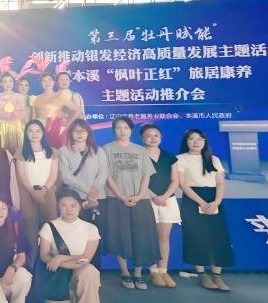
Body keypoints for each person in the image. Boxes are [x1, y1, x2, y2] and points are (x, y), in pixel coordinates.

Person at [102, 116, 160, 290]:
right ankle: (125, 272)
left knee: (140, 237)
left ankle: (138, 273)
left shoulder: (140, 150)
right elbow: (107, 176)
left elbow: (146, 175)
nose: (122, 131)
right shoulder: (106, 149)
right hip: (116, 199)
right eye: (118, 128)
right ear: (114, 130)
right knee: (121, 237)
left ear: (131, 130)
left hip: (140, 200)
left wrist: (140, 195)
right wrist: (120, 195)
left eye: (126, 127)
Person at [38, 189, 104, 303]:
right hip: (56, 277)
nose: (69, 209)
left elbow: (85, 259)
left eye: (73, 206)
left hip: (76, 271)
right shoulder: (49, 227)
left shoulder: (90, 228)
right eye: (64, 205)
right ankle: (57, 299)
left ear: (80, 207)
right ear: (58, 206)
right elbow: (44, 256)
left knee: (89, 271)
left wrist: (60, 259)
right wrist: (61, 261)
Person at [177, 129, 233, 292]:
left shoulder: (214, 159)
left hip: (214, 199)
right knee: (197, 237)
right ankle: (203, 275)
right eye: (192, 139)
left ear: (205, 142)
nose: (196, 142)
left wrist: (216, 202)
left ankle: (217, 275)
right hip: (193, 199)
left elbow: (220, 183)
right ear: (186, 142)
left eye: (200, 139)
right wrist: (201, 202)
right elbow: (183, 184)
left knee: (218, 237)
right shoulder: (181, 159)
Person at [57, 119, 108, 263]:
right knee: (74, 236)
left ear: (88, 133)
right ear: (70, 133)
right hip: (74, 200)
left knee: (95, 236)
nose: (79, 133)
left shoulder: (98, 151)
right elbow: (65, 176)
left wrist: (93, 193)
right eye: (76, 130)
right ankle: (75, 269)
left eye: (83, 130)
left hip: (97, 199)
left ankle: (94, 270)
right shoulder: (63, 151)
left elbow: (103, 173)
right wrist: (88, 190)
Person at [140, 124, 181, 288]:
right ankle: (153, 271)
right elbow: (137, 179)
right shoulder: (138, 155)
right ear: (142, 138)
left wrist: (164, 196)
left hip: (167, 200)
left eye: (156, 135)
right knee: (149, 236)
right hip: (146, 199)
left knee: (164, 236)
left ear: (161, 137)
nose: (153, 138)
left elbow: (175, 180)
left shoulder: (170, 157)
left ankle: (163, 270)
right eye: (149, 135)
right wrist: (154, 197)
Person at [15, 119, 59, 258]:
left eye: (38, 131)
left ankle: (52, 258)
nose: (34, 134)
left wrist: (43, 190)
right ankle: (32, 261)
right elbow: (21, 175)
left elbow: (53, 174)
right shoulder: (21, 151)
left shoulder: (52, 151)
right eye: (31, 131)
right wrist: (33, 192)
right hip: (28, 193)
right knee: (30, 226)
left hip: (48, 192)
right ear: (26, 133)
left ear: (43, 133)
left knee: (51, 224)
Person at [31, 73, 79, 148]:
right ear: (41, 83)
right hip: (40, 131)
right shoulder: (35, 98)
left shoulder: (60, 96)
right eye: (44, 80)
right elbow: (33, 117)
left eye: (49, 80)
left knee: (57, 151)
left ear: (54, 82)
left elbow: (77, 109)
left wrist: (69, 123)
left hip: (56, 130)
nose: (47, 82)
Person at [0, 73, 28, 155]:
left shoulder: (21, 96)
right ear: (1, 83)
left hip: (18, 127)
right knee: (3, 153)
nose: (8, 84)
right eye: (5, 81)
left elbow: (24, 115)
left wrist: (26, 129)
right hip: (2, 127)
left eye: (10, 81)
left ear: (13, 82)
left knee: (19, 152)